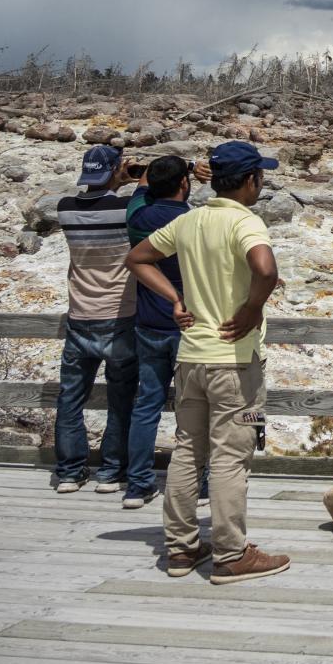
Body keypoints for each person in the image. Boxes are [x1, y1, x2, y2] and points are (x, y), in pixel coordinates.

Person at [125, 140, 290, 584]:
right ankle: (231, 554)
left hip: (191, 358)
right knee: (231, 458)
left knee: (186, 451)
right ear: (251, 180)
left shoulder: (189, 219)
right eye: (260, 176)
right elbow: (266, 268)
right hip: (234, 361)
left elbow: (137, 258)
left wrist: (174, 298)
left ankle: (181, 548)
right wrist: (252, 308)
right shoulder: (245, 221)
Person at [53, 145, 141, 495]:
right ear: (116, 169)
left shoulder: (65, 208)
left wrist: (116, 179)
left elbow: (97, 199)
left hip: (80, 315)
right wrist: (132, 180)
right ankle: (111, 472)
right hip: (120, 314)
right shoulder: (125, 208)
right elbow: (143, 201)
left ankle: (69, 472)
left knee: (70, 400)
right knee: (120, 401)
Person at [123, 156, 203, 510]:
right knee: (194, 409)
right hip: (188, 324)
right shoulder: (192, 221)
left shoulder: (137, 216)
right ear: (184, 184)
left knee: (146, 405)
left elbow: (142, 186)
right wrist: (193, 165)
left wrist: (150, 171)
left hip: (148, 323)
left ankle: (137, 485)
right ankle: (198, 485)